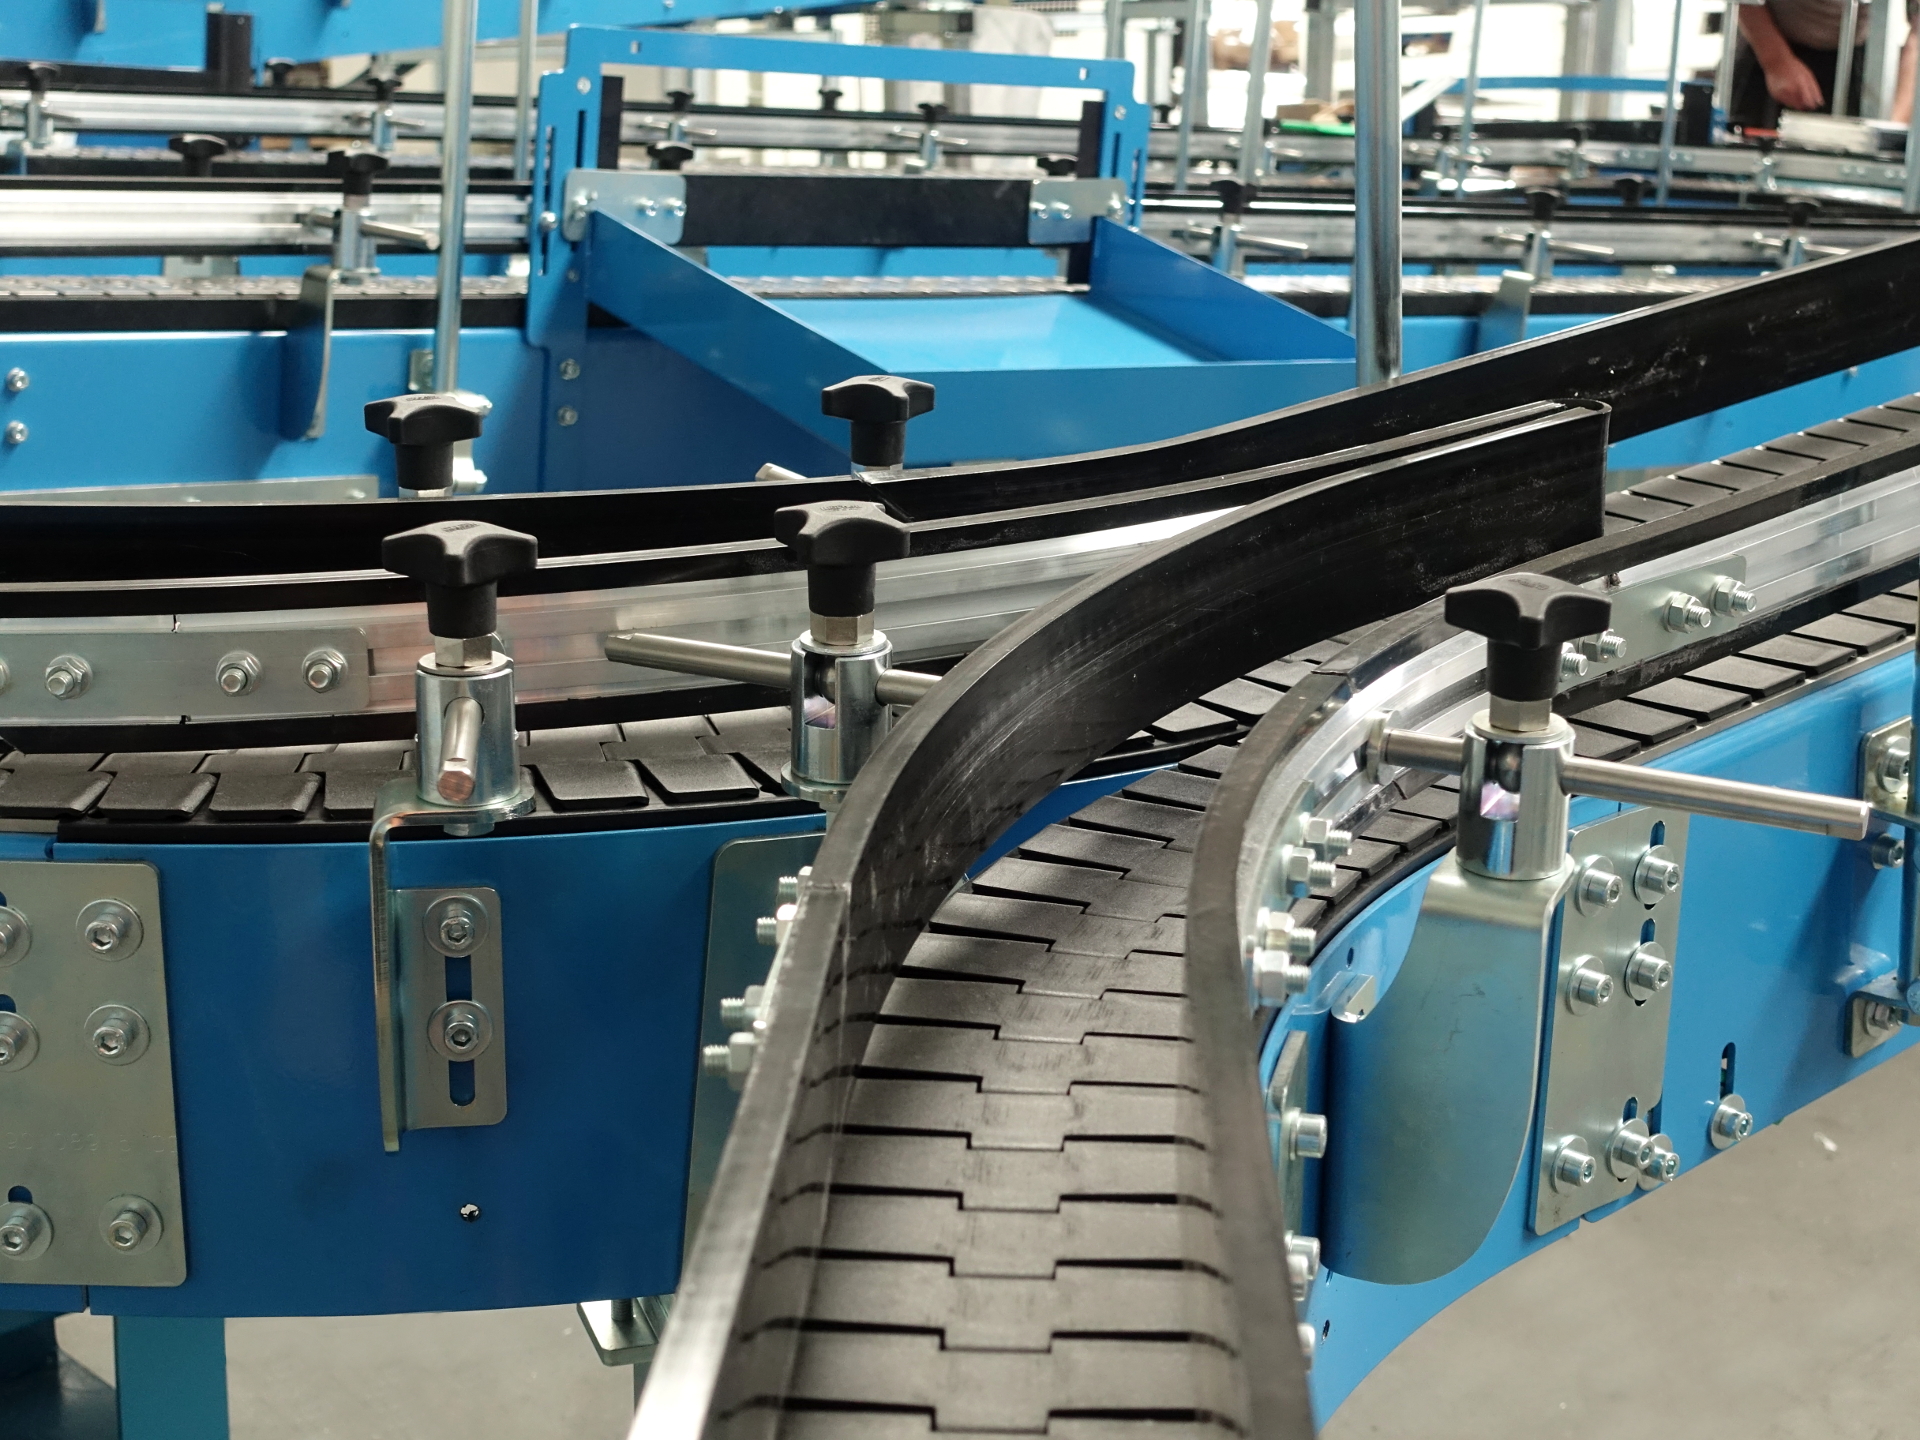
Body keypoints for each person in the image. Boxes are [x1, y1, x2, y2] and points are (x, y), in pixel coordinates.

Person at [1728, 0, 1918, 130]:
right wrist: (1775, 61)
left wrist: (1895, 123)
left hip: (1863, 58)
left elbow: (1917, 34)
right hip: (1773, 43)